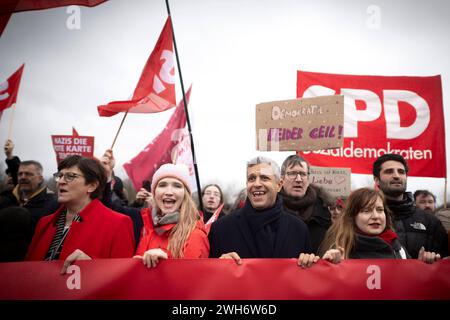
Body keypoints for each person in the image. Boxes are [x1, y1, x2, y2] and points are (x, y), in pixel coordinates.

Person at [100, 149, 209, 268]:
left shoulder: (195, 233)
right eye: (162, 185)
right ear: (154, 193)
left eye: (177, 186)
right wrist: (105, 175)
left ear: (185, 195)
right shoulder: (141, 220)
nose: (168, 192)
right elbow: (107, 209)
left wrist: (165, 262)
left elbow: (193, 280)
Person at [26, 155, 135, 274]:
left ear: (92, 186)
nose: (61, 182)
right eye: (60, 176)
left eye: (70, 176)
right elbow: (28, 271)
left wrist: (93, 267)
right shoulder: (45, 223)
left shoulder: (118, 223)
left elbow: (123, 278)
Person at [208, 156, 316, 268]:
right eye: (251, 178)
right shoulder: (221, 229)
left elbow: (306, 281)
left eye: (264, 178)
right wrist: (218, 266)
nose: (257, 184)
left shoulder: (299, 229)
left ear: (279, 185)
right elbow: (209, 279)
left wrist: (309, 263)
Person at [319, 188, 441, 264]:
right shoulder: (339, 247)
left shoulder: (398, 249)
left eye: (379, 209)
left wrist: (420, 267)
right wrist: (331, 266)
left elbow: (408, 286)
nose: (376, 216)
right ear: (352, 217)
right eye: (366, 211)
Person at [372, 154, 448, 258]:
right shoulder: (364, 218)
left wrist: (432, 260)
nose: (396, 176)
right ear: (376, 180)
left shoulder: (430, 221)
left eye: (401, 172)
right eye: (389, 171)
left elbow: (444, 262)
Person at [278, 155, 333, 253]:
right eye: (292, 173)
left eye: (303, 174)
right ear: (282, 179)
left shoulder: (324, 209)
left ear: (308, 180)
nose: (298, 179)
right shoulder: (272, 208)